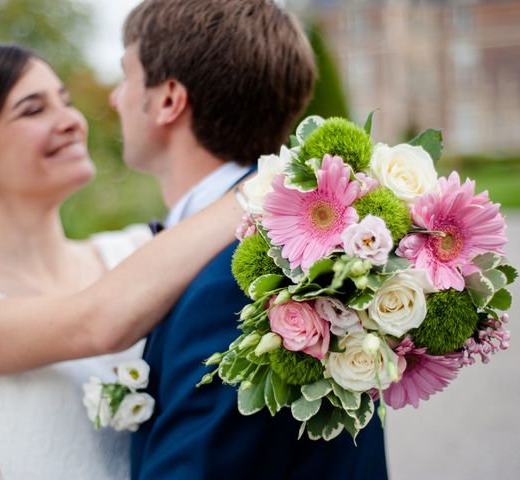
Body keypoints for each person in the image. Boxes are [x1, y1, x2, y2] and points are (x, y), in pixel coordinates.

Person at [0, 44, 246, 480]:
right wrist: (264, 188)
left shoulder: (133, 250)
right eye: (33, 110)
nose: (71, 121)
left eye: (65, 102)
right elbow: (97, 324)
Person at [116, 1, 388, 479]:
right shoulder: (293, 245)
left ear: (167, 100)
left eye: (126, 76)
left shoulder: (238, 276)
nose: (116, 98)